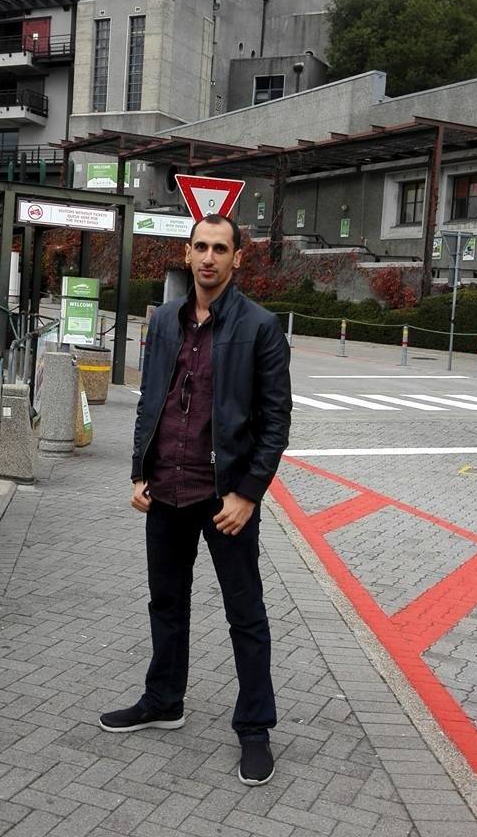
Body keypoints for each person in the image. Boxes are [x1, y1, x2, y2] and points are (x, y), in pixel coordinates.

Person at [99, 213, 292, 786]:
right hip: (166, 490)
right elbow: (147, 400)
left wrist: (249, 494)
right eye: (200, 247)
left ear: (237, 259)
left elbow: (275, 422)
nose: (209, 257)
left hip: (223, 496)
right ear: (187, 254)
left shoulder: (259, 327)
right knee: (166, 603)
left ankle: (254, 729)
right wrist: (139, 471)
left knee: (245, 615)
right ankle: (164, 700)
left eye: (220, 249)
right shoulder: (163, 321)